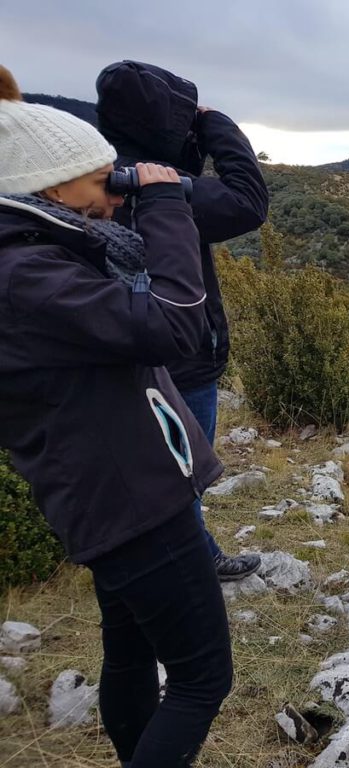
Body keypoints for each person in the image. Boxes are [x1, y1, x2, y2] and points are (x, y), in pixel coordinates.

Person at [0, 65, 231, 768]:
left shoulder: (37, 255)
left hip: (107, 493)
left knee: (130, 648)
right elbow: (173, 325)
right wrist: (164, 205)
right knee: (200, 678)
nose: (114, 188)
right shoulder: (25, 275)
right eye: (101, 178)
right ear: (50, 187)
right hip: (131, 502)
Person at [96, 60, 270, 582]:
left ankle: (163, 552)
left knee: (145, 466)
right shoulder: (168, 188)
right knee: (184, 468)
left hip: (113, 350)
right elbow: (248, 200)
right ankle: (194, 562)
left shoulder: (90, 182)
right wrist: (215, 123)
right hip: (184, 356)